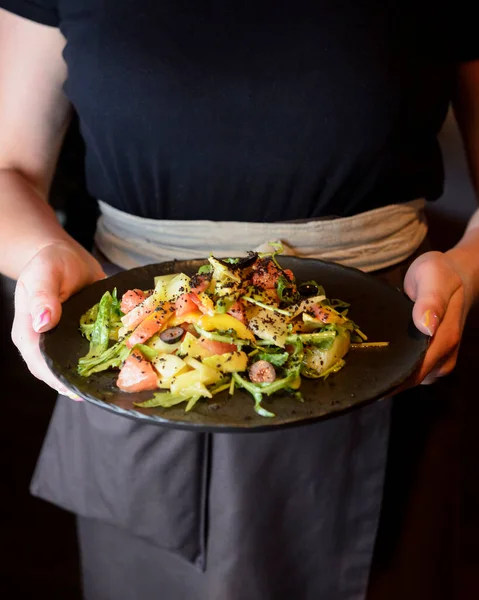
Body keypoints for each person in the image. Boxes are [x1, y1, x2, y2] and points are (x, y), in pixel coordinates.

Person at [1, 2, 478, 599]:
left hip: (382, 355)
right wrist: (44, 252)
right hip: (140, 362)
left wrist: (467, 267)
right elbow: (8, 168)